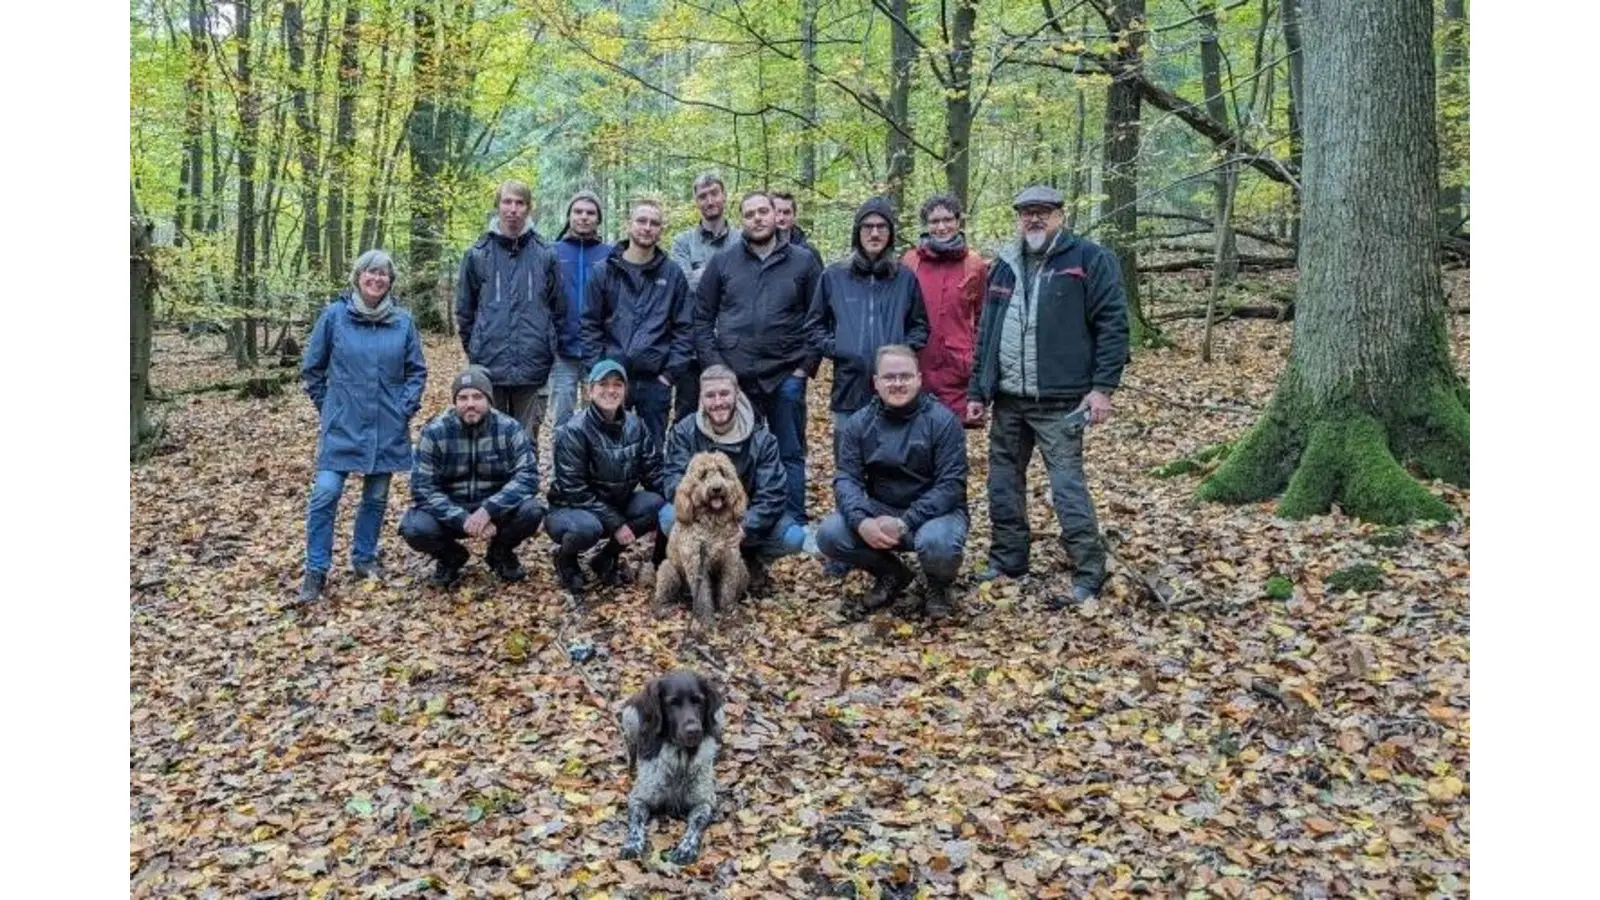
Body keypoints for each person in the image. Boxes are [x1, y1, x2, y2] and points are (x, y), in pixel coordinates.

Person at [967, 185, 1130, 605]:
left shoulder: (1089, 259)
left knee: (1067, 487)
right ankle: (1008, 562)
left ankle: (1089, 573)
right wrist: (978, 391)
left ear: (1061, 214)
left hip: (1062, 401)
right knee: (1002, 484)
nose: (1034, 219)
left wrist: (1102, 389)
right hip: (1008, 400)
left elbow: (1113, 325)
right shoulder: (1003, 266)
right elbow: (986, 332)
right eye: (1027, 213)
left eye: (1043, 212)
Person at [298, 250, 428, 603]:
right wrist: (329, 408)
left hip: (387, 423)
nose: (376, 278)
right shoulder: (334, 316)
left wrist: (404, 408)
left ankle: (364, 557)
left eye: (383, 274)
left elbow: (417, 370)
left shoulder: (402, 321)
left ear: (390, 281)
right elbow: (312, 369)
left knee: (376, 495)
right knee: (325, 493)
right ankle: (316, 569)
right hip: (342, 425)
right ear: (358, 276)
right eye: (370, 272)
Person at [695, 191, 824, 525]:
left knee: (789, 450)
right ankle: (739, 516)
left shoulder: (803, 261)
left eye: (763, 211)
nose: (757, 218)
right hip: (737, 377)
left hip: (786, 375)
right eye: (749, 213)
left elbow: (820, 318)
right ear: (742, 220)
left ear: (775, 215)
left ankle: (792, 519)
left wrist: (803, 370)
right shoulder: (723, 262)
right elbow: (702, 318)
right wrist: (716, 369)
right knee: (739, 450)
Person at [818, 346, 968, 620]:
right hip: (881, 511)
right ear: (876, 382)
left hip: (935, 515)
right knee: (830, 533)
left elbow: (951, 486)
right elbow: (846, 479)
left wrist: (906, 521)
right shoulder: (859, 423)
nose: (897, 384)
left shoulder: (943, 422)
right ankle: (891, 573)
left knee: (937, 543)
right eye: (889, 377)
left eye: (905, 376)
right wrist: (861, 521)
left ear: (919, 379)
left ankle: (938, 586)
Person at [659, 365, 806, 594]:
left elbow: (774, 493)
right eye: (710, 395)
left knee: (793, 537)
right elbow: (672, 480)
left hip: (743, 519)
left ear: (737, 394)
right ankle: (697, 572)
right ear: (701, 399)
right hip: (701, 520)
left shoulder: (762, 438)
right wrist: (702, 512)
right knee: (669, 516)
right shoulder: (683, 432)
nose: (718, 402)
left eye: (724, 394)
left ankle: (749, 561)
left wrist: (745, 525)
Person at [400, 367, 548, 587]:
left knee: (532, 510)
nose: (470, 403)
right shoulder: (435, 432)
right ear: (454, 401)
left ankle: (500, 552)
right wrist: (461, 518)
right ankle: (450, 557)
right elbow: (422, 487)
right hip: (451, 508)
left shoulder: (509, 428)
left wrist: (488, 510)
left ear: (489, 399)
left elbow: (527, 476)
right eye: (463, 397)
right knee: (414, 528)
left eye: (477, 396)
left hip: (496, 508)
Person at [806, 195, 929, 439]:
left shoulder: (905, 279)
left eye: (881, 227)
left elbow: (920, 327)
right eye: (868, 226)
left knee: (891, 461)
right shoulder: (834, 276)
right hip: (849, 388)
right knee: (848, 463)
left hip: (895, 389)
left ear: (890, 233)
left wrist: (901, 353)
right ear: (857, 232)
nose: (874, 233)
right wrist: (840, 347)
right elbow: (813, 327)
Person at [455, 179, 565, 445]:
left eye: (520, 203)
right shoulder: (477, 254)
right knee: (490, 439)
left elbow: (557, 308)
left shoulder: (545, 254)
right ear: (497, 206)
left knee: (526, 441)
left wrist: (547, 346)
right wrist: (477, 347)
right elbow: (465, 311)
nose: (513, 209)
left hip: (533, 364)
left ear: (528, 209)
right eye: (507, 202)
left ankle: (525, 487)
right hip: (489, 362)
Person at [546, 360, 668, 595]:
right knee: (587, 528)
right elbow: (574, 490)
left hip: (614, 502)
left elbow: (654, 472)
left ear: (625, 391)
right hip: (571, 509)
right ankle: (566, 560)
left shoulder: (636, 424)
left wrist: (683, 499)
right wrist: (617, 523)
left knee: (657, 504)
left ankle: (605, 557)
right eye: (603, 384)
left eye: (617, 384)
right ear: (590, 390)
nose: (610, 390)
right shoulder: (574, 431)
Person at [581, 199, 693, 447]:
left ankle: (650, 488)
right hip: (612, 377)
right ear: (628, 225)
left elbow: (685, 328)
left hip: (655, 380)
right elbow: (590, 325)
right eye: (641, 221)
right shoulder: (604, 272)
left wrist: (669, 375)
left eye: (654, 223)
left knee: (651, 449)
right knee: (607, 446)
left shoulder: (672, 274)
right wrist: (597, 370)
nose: (647, 227)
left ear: (660, 230)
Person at [903, 192, 989, 426]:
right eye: (934, 221)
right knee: (917, 439)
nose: (941, 227)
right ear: (926, 225)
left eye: (947, 220)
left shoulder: (974, 264)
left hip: (958, 370)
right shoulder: (910, 262)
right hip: (919, 364)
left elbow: (982, 318)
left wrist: (977, 369)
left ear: (958, 222)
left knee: (952, 443)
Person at [669, 172, 741, 427]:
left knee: (732, 412)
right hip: (691, 347)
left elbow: (745, 287)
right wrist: (725, 277)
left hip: (734, 344)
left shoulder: (742, 240)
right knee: (686, 414)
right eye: (702, 196)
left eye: (714, 194)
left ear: (724, 195)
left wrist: (703, 274)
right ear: (696, 201)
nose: (709, 201)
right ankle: (683, 465)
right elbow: (685, 284)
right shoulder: (682, 242)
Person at [551, 189, 613, 430]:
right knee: (562, 420)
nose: (584, 217)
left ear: (598, 219)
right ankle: (561, 468)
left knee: (597, 419)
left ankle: (592, 468)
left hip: (598, 351)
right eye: (578, 211)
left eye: (590, 212)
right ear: (569, 216)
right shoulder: (553, 252)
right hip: (562, 352)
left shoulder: (610, 254)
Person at [771, 190, 822, 265]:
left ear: (794, 215)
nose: (781, 218)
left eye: (786, 212)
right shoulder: (757, 250)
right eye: (777, 212)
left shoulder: (809, 253)